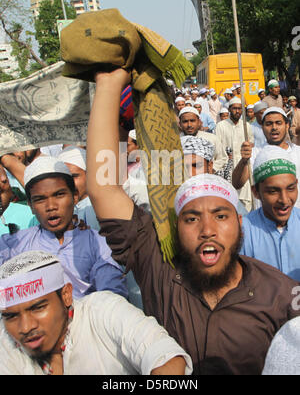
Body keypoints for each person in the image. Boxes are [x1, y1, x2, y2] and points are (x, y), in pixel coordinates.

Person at [85, 68, 300, 375]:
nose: (207, 230)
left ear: (241, 223)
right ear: (176, 226)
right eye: (191, 218)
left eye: (221, 216)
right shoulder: (159, 271)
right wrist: (108, 82)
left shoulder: (281, 294)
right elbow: (104, 188)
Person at [0, 251, 192, 375]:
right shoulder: (5, 343)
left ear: (66, 295)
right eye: (11, 316)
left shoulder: (103, 310)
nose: (26, 327)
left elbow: (166, 358)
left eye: (38, 308)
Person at [0, 155, 128, 300]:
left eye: (59, 195)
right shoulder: (14, 245)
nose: (51, 206)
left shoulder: (97, 244)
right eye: (40, 199)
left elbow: (112, 294)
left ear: (74, 197)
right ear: (30, 205)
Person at [240, 146, 300, 281]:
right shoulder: (243, 231)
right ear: (256, 192)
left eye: (291, 189)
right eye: (273, 191)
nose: (284, 200)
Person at [232, 107, 300, 209]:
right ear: (262, 127)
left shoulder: (297, 152)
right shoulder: (254, 153)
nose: (274, 127)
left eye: (278, 123)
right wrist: (243, 161)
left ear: (287, 126)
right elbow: (237, 184)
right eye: (269, 124)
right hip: (264, 220)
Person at [215, 97, 254, 212]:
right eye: (234, 108)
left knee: (245, 199)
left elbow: (251, 145)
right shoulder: (221, 126)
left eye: (239, 108)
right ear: (229, 109)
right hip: (227, 167)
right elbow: (218, 149)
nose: (237, 111)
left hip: (244, 168)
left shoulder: (246, 126)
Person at [58, 146, 100, 231]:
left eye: (74, 176)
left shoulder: (101, 207)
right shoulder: (56, 209)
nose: (68, 182)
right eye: (63, 177)